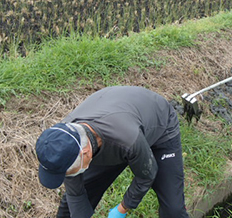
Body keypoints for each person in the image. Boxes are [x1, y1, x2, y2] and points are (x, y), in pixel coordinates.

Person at [35, 86, 189, 218]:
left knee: (173, 210)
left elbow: (147, 174)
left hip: (159, 128)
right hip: (115, 129)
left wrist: (123, 207)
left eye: (68, 172)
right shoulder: (66, 141)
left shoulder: (126, 139)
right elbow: (76, 196)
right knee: (69, 208)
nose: (67, 176)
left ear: (85, 153)